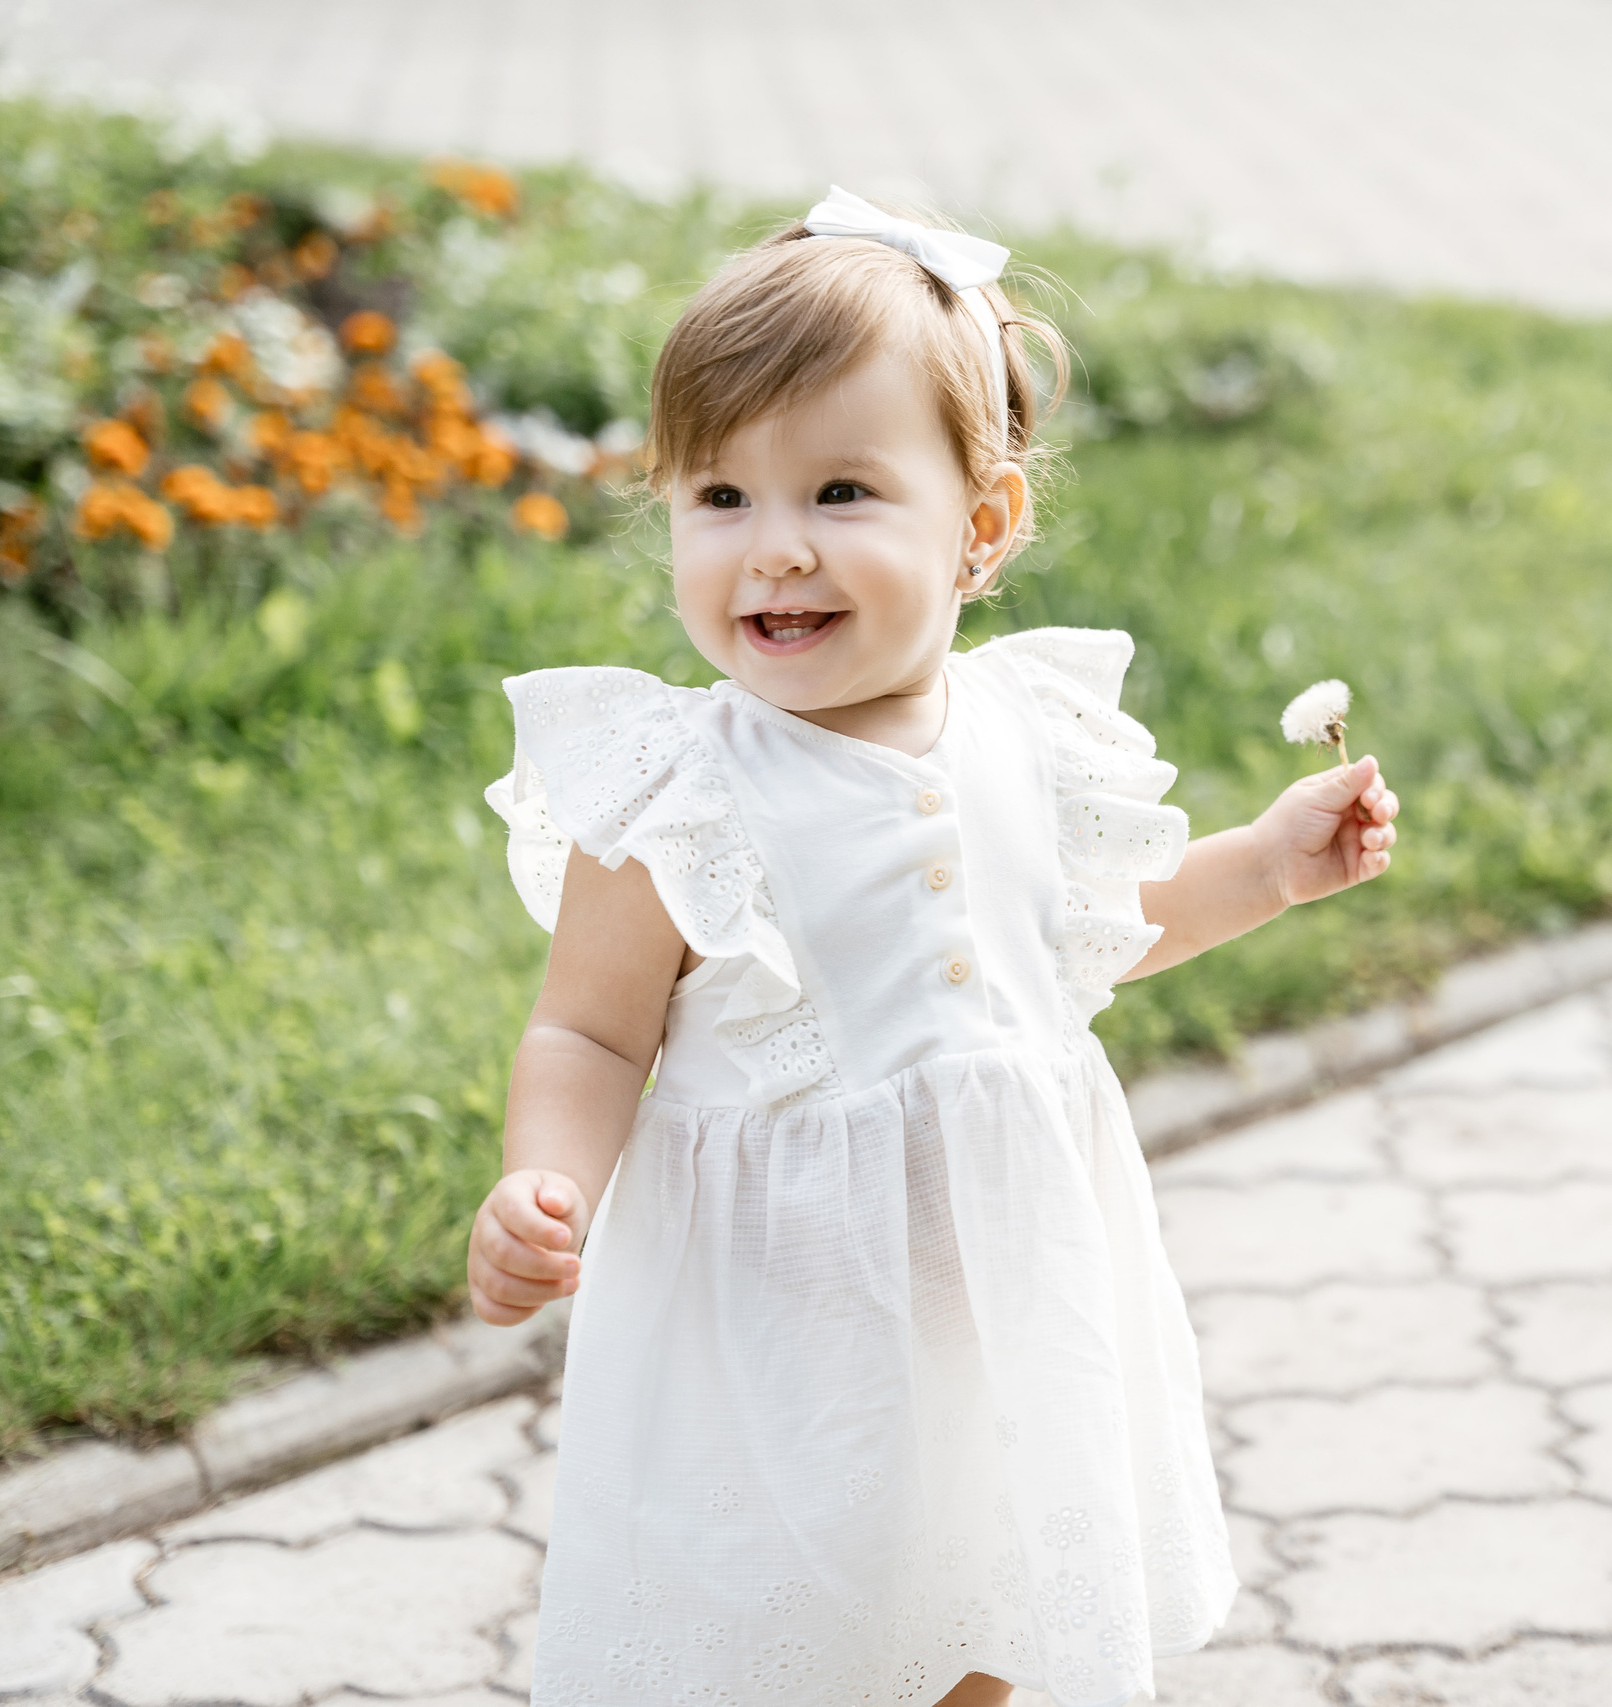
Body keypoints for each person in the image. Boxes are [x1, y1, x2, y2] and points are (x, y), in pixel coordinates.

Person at [468, 189, 1401, 1707]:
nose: (774, 553)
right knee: (787, 1634)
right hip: (778, 1334)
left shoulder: (1031, 736)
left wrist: (1267, 868)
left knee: (989, 1597)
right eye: (721, 500)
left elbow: (1087, 943)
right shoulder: (675, 795)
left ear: (980, 530)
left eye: (839, 494)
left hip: (1001, 1297)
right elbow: (588, 1035)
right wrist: (539, 1175)